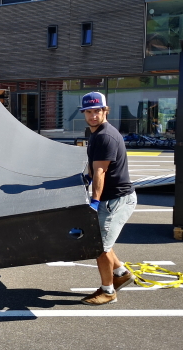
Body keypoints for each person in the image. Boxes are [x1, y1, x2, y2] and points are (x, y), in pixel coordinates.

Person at [79, 91, 137, 305]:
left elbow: (101, 172)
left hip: (115, 201)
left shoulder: (105, 136)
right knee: (103, 240)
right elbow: (94, 167)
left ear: (105, 111)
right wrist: (87, 177)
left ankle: (108, 291)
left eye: (97, 111)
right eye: (89, 112)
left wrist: (94, 202)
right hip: (112, 199)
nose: (93, 116)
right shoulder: (95, 133)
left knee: (100, 247)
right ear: (84, 113)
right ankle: (121, 273)